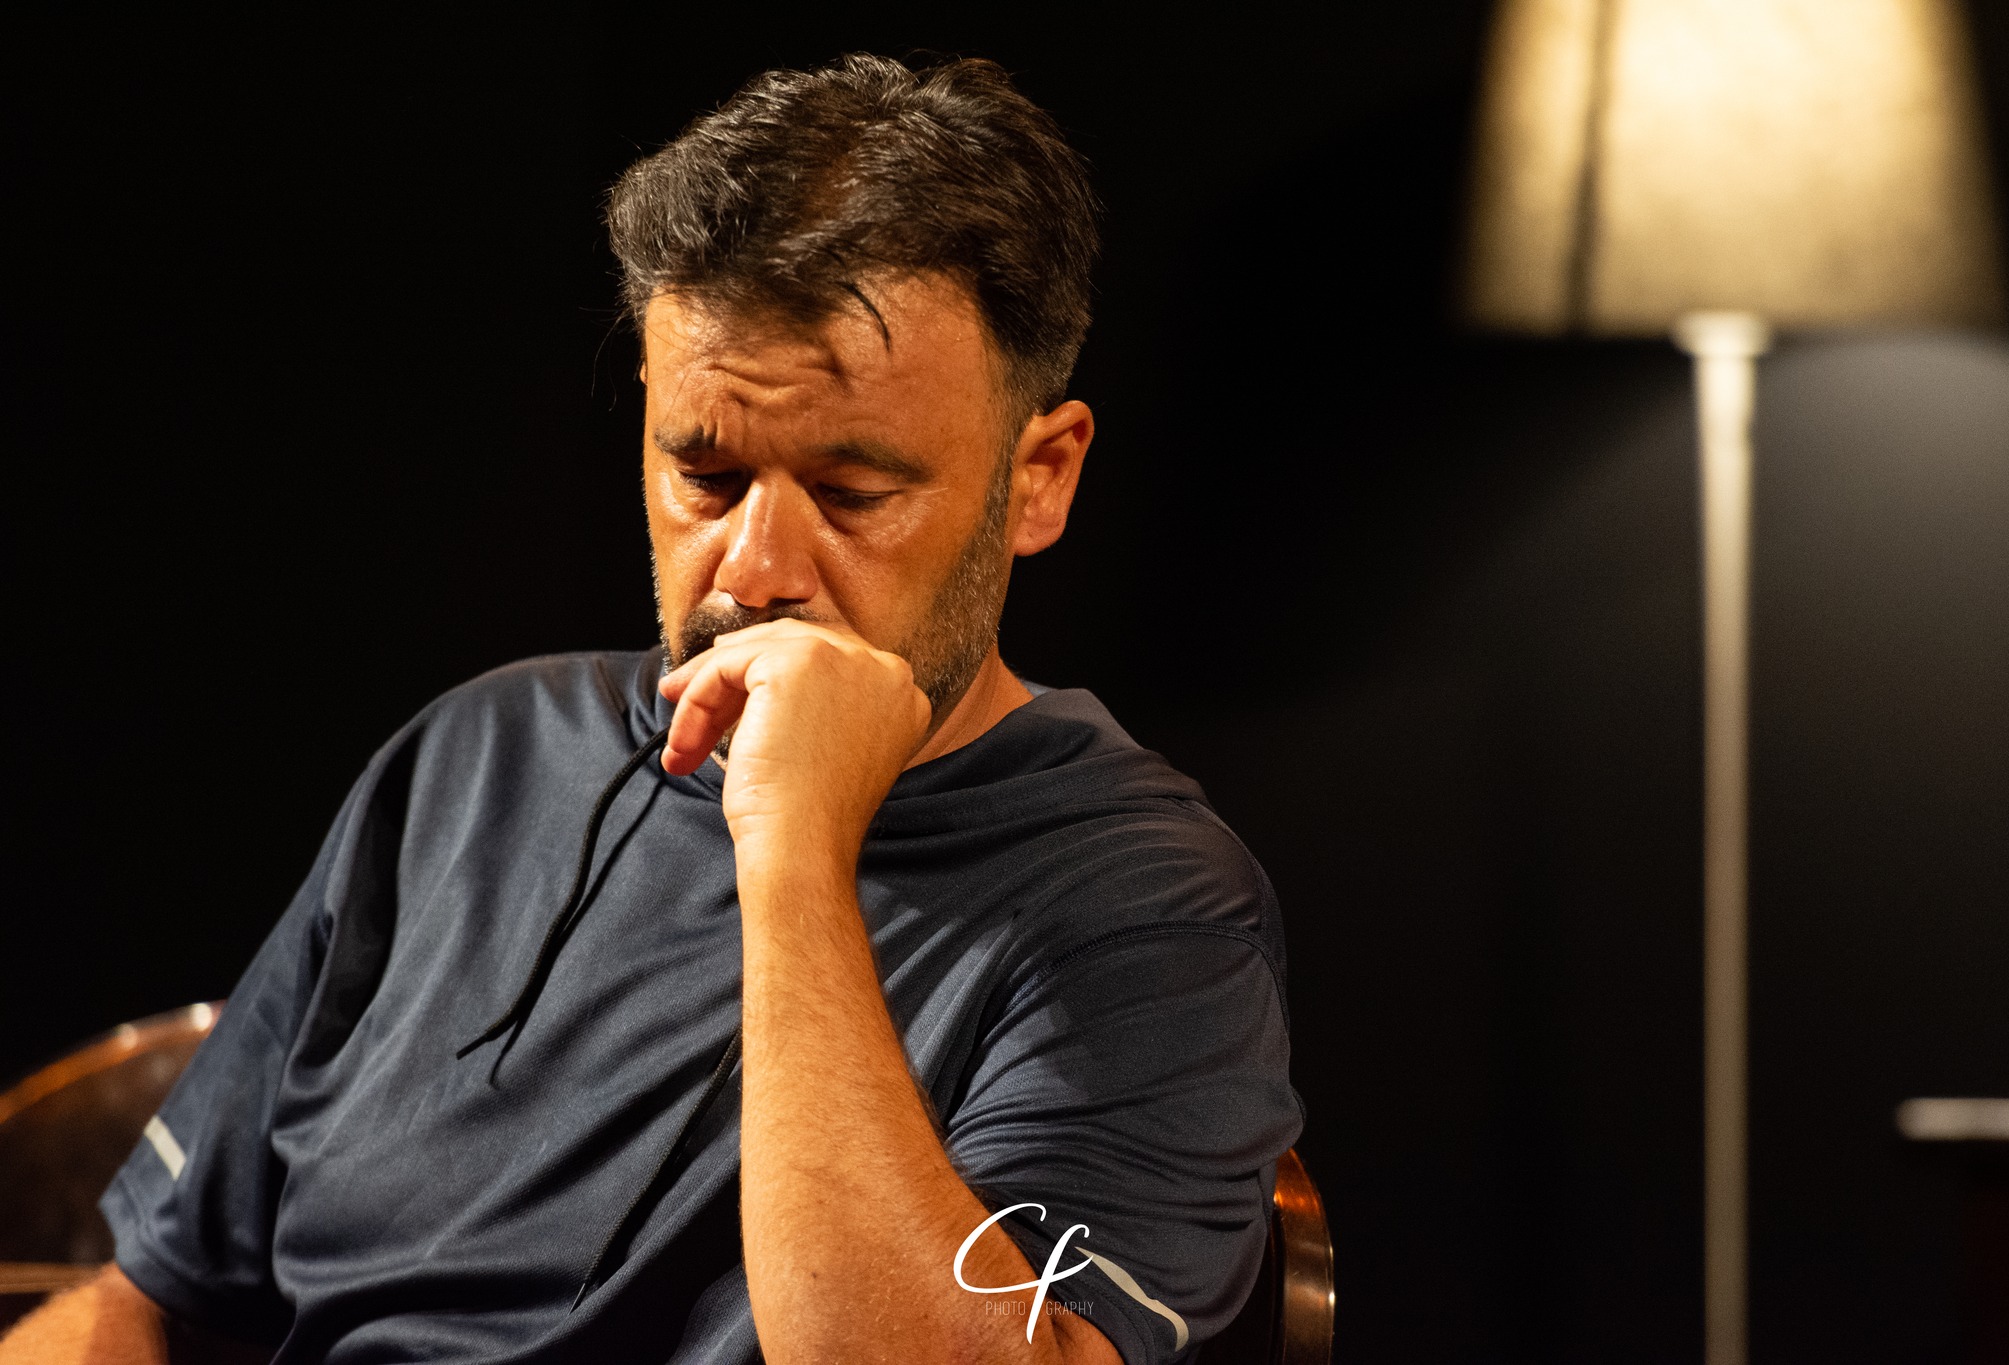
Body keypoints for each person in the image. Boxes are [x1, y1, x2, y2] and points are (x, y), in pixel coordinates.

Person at [1, 54, 1303, 1365]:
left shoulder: (1149, 909)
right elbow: (144, 1301)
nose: (755, 570)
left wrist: (793, 853)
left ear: (1040, 479)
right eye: (707, 475)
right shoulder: (479, 756)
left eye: (853, 493)